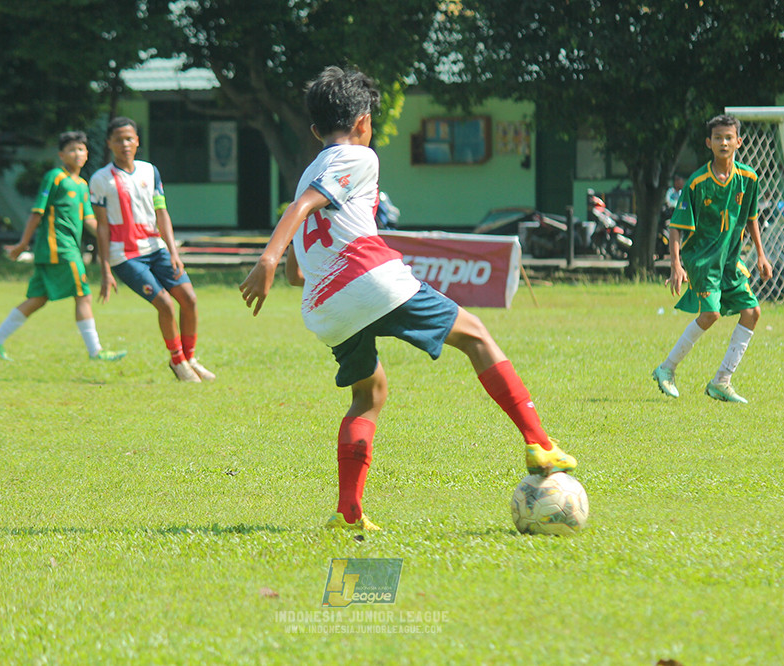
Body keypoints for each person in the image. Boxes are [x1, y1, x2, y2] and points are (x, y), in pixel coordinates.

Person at [239, 66, 576, 531]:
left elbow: (302, 255)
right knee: (477, 336)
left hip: (324, 308)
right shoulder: (360, 156)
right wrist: (268, 260)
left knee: (368, 395)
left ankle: (349, 512)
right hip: (370, 281)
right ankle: (539, 442)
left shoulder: (307, 175)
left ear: (315, 130)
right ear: (362, 121)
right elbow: (301, 214)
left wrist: (290, 267)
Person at [652, 114, 773, 404]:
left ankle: (722, 381)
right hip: (702, 260)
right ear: (709, 143)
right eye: (718, 137)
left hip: (730, 261)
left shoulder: (749, 178)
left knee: (753, 312)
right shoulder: (697, 182)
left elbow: (752, 218)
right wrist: (677, 264)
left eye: (729, 137)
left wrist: (760, 254)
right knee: (711, 314)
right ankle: (666, 369)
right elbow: (676, 227)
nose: (723, 142)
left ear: (738, 142)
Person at [90, 117, 215, 383]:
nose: (125, 144)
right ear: (109, 143)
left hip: (156, 247)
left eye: (129, 138)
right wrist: (104, 270)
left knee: (189, 300)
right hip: (125, 256)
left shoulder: (150, 171)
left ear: (137, 141)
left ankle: (190, 358)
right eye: (118, 139)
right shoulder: (101, 179)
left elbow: (162, 212)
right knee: (166, 305)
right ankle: (178, 362)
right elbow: (101, 227)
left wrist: (173, 251)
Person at [0, 131, 126, 363]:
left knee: (38, 298)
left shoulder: (81, 184)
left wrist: (115, 233)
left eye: (81, 149)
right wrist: (22, 243)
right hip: (59, 248)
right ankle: (96, 352)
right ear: (61, 155)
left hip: (61, 249)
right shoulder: (55, 177)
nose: (77, 154)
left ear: (87, 154)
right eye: (71, 149)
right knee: (83, 295)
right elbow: (37, 213)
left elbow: (90, 221)